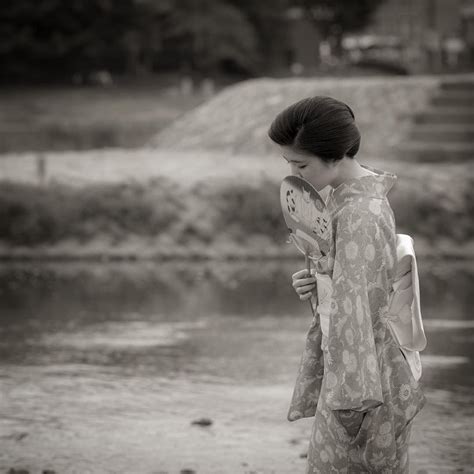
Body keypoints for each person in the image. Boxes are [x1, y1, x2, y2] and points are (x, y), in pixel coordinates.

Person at [268, 96, 426, 473]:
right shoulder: (355, 197)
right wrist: (318, 281)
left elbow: (355, 312)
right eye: (288, 162)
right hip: (364, 368)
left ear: (335, 155)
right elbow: (351, 288)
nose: (293, 173)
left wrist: (351, 402)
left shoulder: (358, 213)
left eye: (300, 163)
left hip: (363, 382)